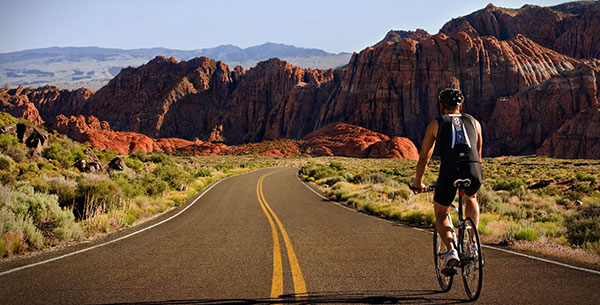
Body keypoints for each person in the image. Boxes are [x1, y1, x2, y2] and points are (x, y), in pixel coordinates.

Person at [412, 88, 483, 273]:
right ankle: (474, 245)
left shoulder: (436, 123)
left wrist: (418, 182)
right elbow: (478, 152)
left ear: (442, 106)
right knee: (472, 197)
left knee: (441, 213)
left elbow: (424, 158)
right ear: (461, 105)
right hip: (473, 168)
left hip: (450, 170)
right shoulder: (474, 122)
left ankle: (452, 251)